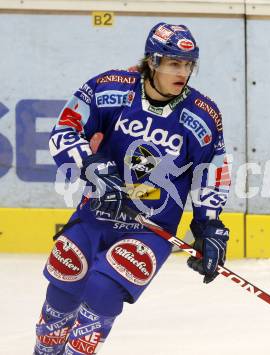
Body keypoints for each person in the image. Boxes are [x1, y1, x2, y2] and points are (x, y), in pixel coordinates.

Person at [34, 22, 231, 355]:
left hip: (150, 231)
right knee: (61, 292)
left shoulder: (203, 115)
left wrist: (209, 226)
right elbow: (65, 130)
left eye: (188, 64)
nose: (183, 72)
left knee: (102, 290)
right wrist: (93, 167)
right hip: (94, 216)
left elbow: (212, 172)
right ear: (152, 61)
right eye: (174, 63)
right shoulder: (109, 88)